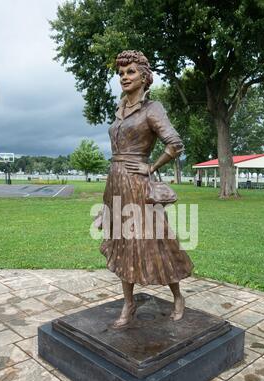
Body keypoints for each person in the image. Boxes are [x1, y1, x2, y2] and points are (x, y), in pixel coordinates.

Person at [100, 50, 194, 328]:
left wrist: (151, 167)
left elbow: (175, 144)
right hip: (115, 183)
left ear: (144, 76)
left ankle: (177, 296)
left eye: (130, 72)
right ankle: (128, 304)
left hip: (138, 185)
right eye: (121, 73)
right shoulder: (120, 110)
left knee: (156, 242)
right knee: (122, 243)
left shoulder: (153, 109)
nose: (124, 77)